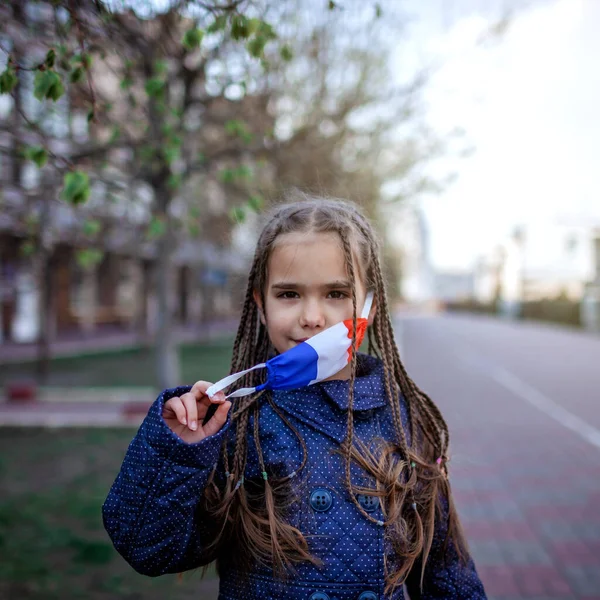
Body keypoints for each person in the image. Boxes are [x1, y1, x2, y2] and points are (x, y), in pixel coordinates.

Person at [103, 197, 487, 600]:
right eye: (288, 294)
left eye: (336, 293)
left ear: (370, 307)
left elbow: (445, 570)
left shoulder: (404, 419)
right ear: (261, 306)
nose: (312, 316)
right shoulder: (235, 421)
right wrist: (177, 452)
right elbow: (147, 550)